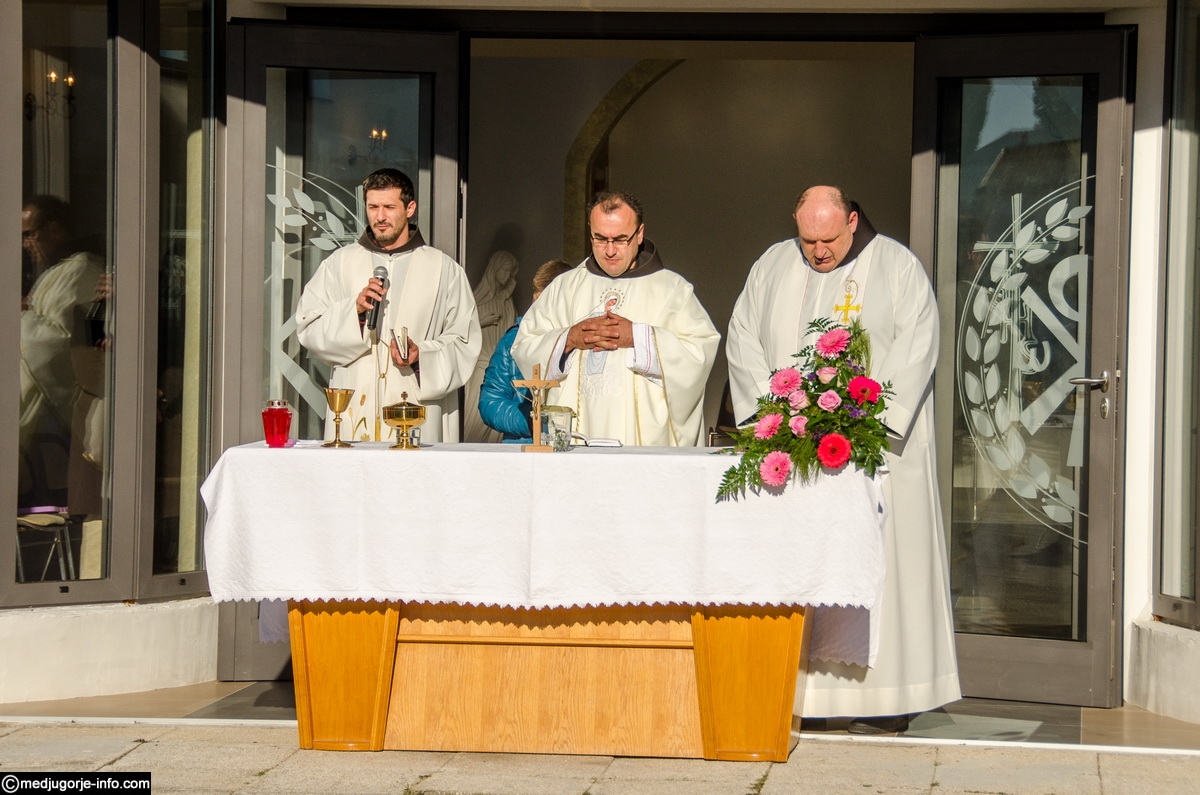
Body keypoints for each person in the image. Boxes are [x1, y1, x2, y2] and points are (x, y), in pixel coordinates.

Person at [726, 185, 960, 734]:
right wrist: (776, 413)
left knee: (884, 566)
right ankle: (804, 698)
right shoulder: (771, 265)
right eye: (808, 240)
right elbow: (743, 339)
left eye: (828, 239)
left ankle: (889, 698)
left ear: (852, 221)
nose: (818, 252)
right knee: (802, 564)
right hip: (796, 449)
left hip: (874, 450)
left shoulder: (897, 267)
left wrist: (862, 422)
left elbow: (917, 347)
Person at [512, 191, 719, 446]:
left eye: (620, 239)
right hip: (576, 440)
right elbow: (525, 346)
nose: (610, 250)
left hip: (642, 444)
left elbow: (699, 353)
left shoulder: (672, 290)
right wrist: (569, 339)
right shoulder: (563, 288)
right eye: (600, 239)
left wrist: (639, 337)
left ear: (639, 234)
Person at [295, 168, 481, 443]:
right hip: (355, 401)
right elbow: (309, 326)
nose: (380, 217)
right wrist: (354, 312)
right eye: (373, 207)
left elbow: (464, 340)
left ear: (410, 209)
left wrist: (422, 356)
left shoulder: (443, 269)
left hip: (413, 403)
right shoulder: (339, 263)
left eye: (389, 207)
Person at [19, 195, 106, 518]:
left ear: (55, 230)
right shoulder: (57, 271)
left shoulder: (82, 269)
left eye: (30, 234)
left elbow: (62, 344)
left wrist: (21, 316)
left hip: (59, 414)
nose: (25, 245)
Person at [479, 259, 573, 443]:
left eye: (544, 304)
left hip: (573, 446)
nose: (536, 311)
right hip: (522, 446)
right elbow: (491, 400)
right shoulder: (513, 339)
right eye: (535, 301)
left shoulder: (584, 338)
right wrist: (532, 422)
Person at [463, 250, 518, 443]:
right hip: (480, 362)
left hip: (498, 366)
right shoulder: (477, 301)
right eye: (504, 270)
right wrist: (480, 321)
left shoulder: (506, 302)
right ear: (494, 270)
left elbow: (513, 332)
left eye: (510, 272)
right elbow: (456, 330)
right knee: (475, 416)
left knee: (495, 421)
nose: (506, 275)